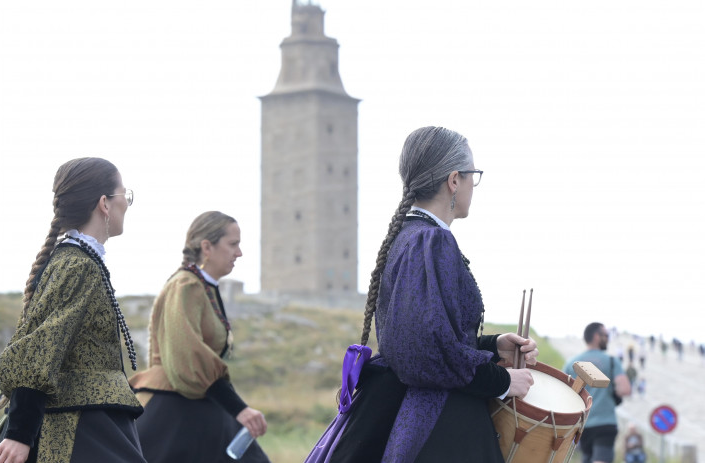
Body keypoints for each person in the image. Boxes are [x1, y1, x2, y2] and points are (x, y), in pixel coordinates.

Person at [305, 126, 538, 463]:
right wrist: (501, 380)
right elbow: (423, 353)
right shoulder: (432, 241)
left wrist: (493, 344)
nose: (474, 185)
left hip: (406, 409)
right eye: (473, 175)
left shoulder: (407, 235)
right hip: (438, 422)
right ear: (454, 180)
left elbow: (427, 336)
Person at [0, 158, 145, 463]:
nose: (126, 204)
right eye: (123, 195)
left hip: (95, 420)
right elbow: (40, 348)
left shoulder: (81, 261)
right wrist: (20, 433)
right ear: (104, 203)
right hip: (76, 427)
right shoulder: (77, 265)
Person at [129, 211, 270, 463]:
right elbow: (189, 355)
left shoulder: (204, 287)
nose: (239, 253)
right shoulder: (186, 285)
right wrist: (239, 409)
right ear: (207, 246)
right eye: (233, 244)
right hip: (172, 405)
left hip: (196, 403)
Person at [563, 322, 632, 463]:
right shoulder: (612, 361)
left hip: (582, 426)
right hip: (605, 423)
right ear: (596, 336)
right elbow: (625, 389)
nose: (608, 338)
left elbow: (564, 395)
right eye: (606, 335)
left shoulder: (571, 363)